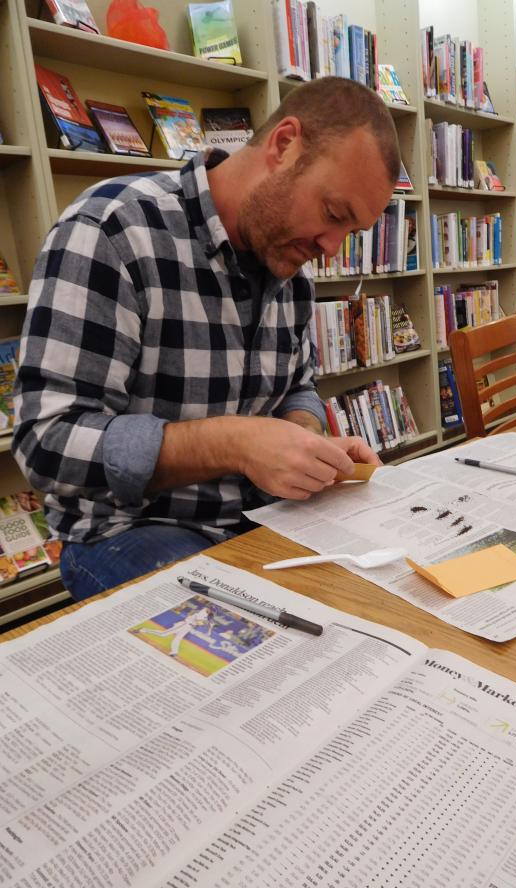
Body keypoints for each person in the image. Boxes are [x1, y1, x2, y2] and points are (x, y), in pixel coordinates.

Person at [12, 77, 400, 602]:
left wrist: (308, 442)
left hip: (262, 518)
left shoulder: (292, 269)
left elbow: (297, 388)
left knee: (387, 597)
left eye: (350, 231)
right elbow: (46, 443)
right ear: (284, 146)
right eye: (333, 214)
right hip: (132, 531)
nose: (332, 248)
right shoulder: (113, 229)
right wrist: (237, 443)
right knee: (254, 646)